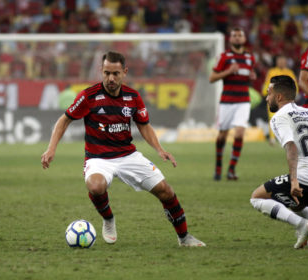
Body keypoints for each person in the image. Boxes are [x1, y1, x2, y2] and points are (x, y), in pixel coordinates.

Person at [41, 51, 206, 247]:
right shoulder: (88, 96)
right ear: (101, 71)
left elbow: (144, 125)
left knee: (165, 191)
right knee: (95, 186)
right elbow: (64, 119)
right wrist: (51, 148)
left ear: (124, 72)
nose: (110, 78)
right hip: (98, 158)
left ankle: (184, 238)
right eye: (106, 73)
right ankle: (109, 219)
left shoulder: (133, 97)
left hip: (128, 155)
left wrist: (160, 149)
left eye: (115, 74)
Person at [250, 75, 308, 249]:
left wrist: (294, 180)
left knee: (257, 198)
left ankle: (301, 225)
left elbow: (291, 146)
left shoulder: (280, 117)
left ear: (279, 97)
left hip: (306, 178)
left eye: (269, 93)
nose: (267, 98)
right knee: (296, 203)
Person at [209, 27, 256, 180]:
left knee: (240, 133)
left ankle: (231, 170)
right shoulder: (224, 57)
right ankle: (218, 167)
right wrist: (228, 72)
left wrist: (252, 76)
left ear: (244, 39)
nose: (237, 38)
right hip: (227, 101)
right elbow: (212, 78)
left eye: (239, 35)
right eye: (234, 35)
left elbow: (248, 76)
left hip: (243, 100)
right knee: (222, 135)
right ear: (230, 39)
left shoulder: (250, 57)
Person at [262, 55, 298, 145]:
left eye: (283, 60)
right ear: (276, 62)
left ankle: (289, 137)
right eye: (279, 60)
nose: (281, 62)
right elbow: (267, 83)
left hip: (286, 99)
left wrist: (295, 94)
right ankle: (272, 138)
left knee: (288, 117)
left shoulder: (289, 72)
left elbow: (295, 85)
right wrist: (265, 92)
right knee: (272, 117)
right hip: (274, 98)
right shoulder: (272, 71)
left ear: (286, 62)